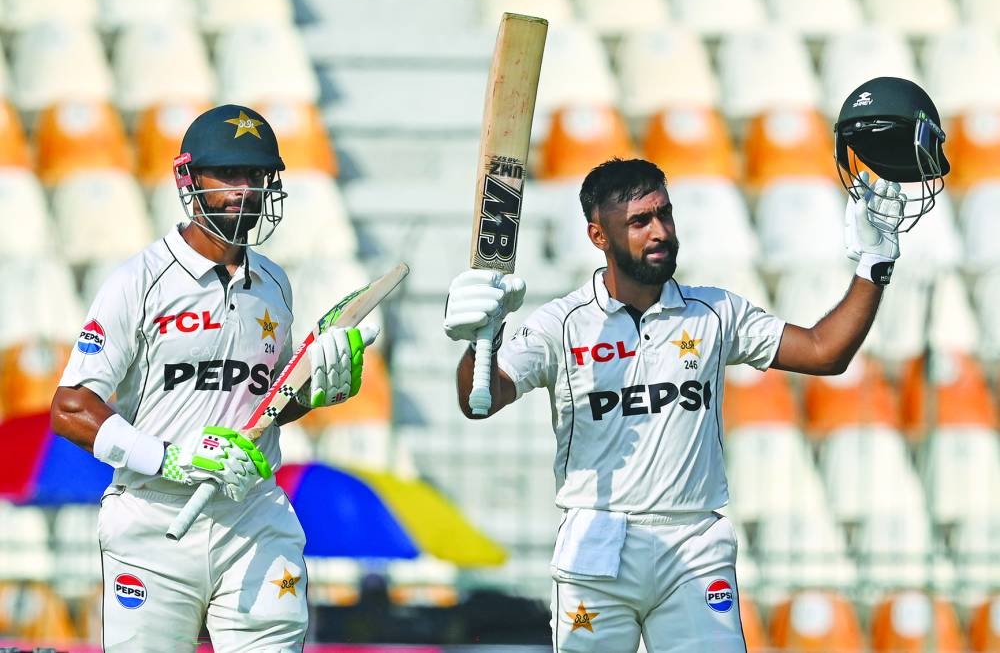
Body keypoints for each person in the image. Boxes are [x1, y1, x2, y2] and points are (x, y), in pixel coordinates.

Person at [443, 76, 948, 652]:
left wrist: (874, 264)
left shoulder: (715, 311)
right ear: (597, 235)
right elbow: (480, 400)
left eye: (664, 214)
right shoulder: (563, 322)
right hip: (596, 541)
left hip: (694, 545)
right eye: (639, 222)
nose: (660, 232)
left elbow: (824, 353)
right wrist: (479, 338)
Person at [50, 104, 378, 652]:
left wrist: (313, 392)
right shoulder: (140, 281)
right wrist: (171, 458)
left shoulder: (274, 283)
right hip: (154, 515)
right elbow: (71, 408)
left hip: (254, 514)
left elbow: (267, 403)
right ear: (188, 178)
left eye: (255, 176)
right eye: (228, 174)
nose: (244, 189)